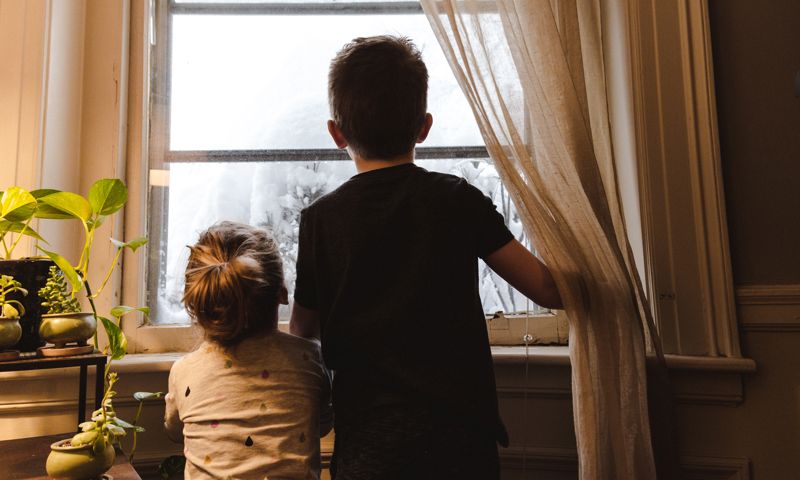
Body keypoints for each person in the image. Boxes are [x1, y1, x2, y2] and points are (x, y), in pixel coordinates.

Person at [289, 36, 563, 479]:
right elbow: (548, 289)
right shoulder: (457, 200)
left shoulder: (320, 221)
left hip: (368, 449)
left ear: (336, 133)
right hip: (460, 444)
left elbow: (303, 329)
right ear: (424, 126)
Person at [164, 221, 333, 480]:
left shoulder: (184, 372)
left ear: (200, 306)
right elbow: (321, 425)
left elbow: (174, 430)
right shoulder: (309, 360)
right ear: (282, 294)